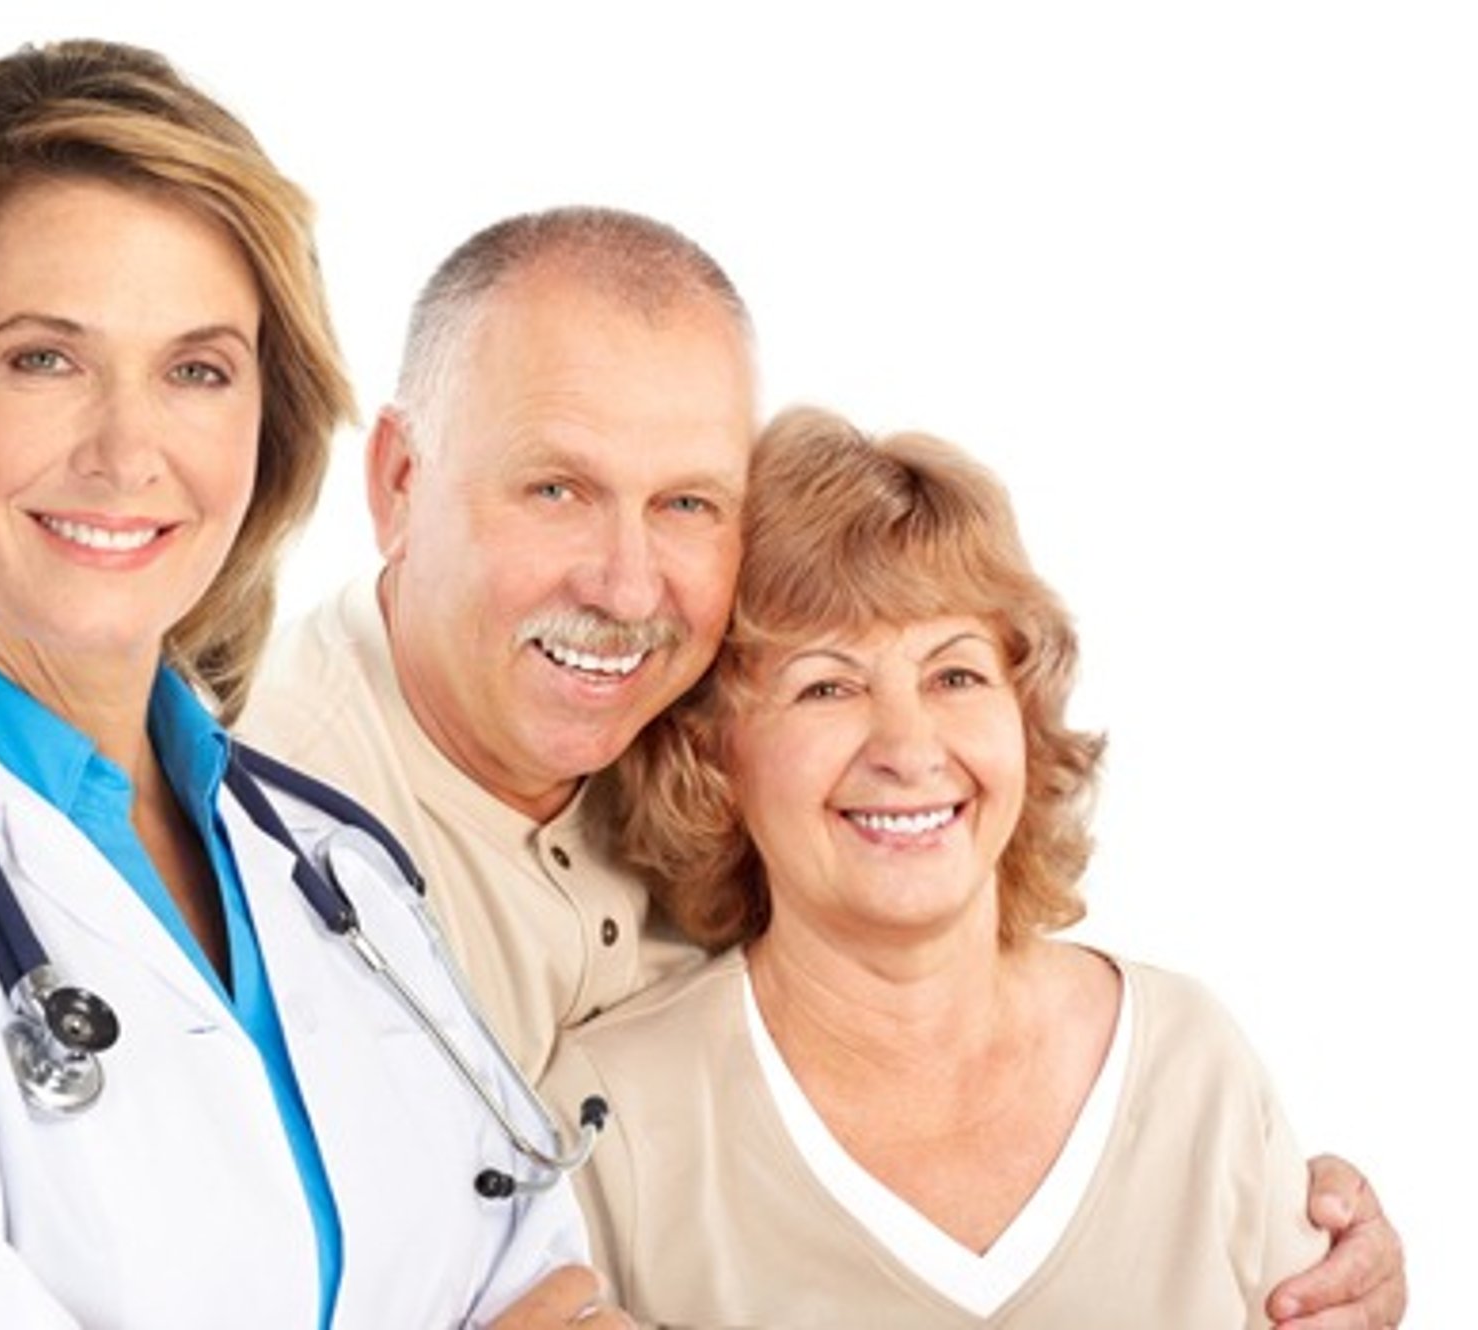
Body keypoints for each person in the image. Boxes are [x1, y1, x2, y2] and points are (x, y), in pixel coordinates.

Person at [239, 208, 1407, 1324]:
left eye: (688, 501)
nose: (629, 585)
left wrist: (1291, 1228)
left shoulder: (1185, 1053)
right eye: (559, 488)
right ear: (399, 480)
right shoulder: (252, 849)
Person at [0, 41, 628, 1329]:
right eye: (45, 358)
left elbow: (547, 1288)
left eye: (197, 370)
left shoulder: (330, 864)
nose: (125, 448)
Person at [540, 406, 1343, 1326]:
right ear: (717, 756)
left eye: (955, 675)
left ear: (1025, 719)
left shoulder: (1193, 1066)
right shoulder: (613, 1118)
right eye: (828, 686)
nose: (907, 746)